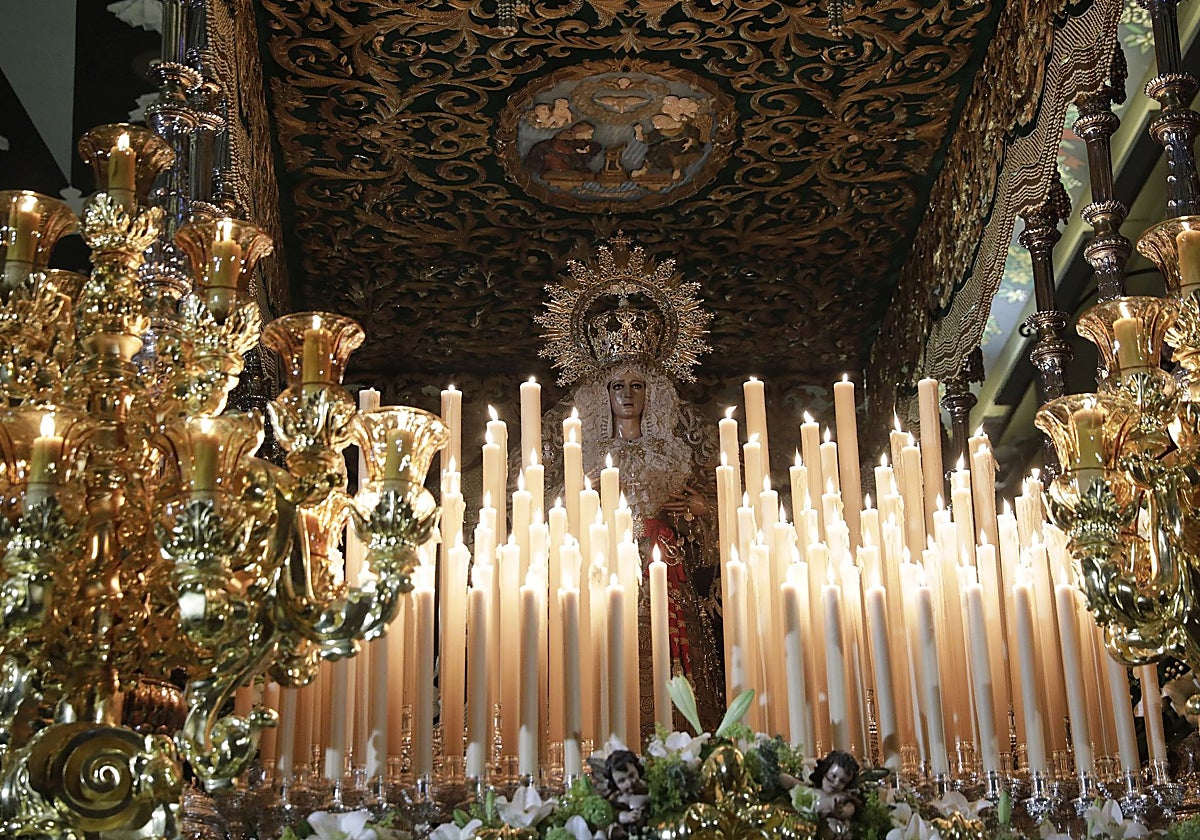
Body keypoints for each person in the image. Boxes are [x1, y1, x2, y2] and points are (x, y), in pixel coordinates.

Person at [808, 750, 860, 837]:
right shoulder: (812, 790)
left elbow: (849, 809)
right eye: (833, 776)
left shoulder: (843, 798)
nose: (836, 783)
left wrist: (841, 811)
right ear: (825, 770)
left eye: (842, 781)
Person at [602, 749, 649, 837]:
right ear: (614, 783)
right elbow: (611, 814)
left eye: (632, 775)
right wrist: (623, 816)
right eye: (621, 781)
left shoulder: (647, 789)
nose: (629, 782)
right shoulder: (616, 799)